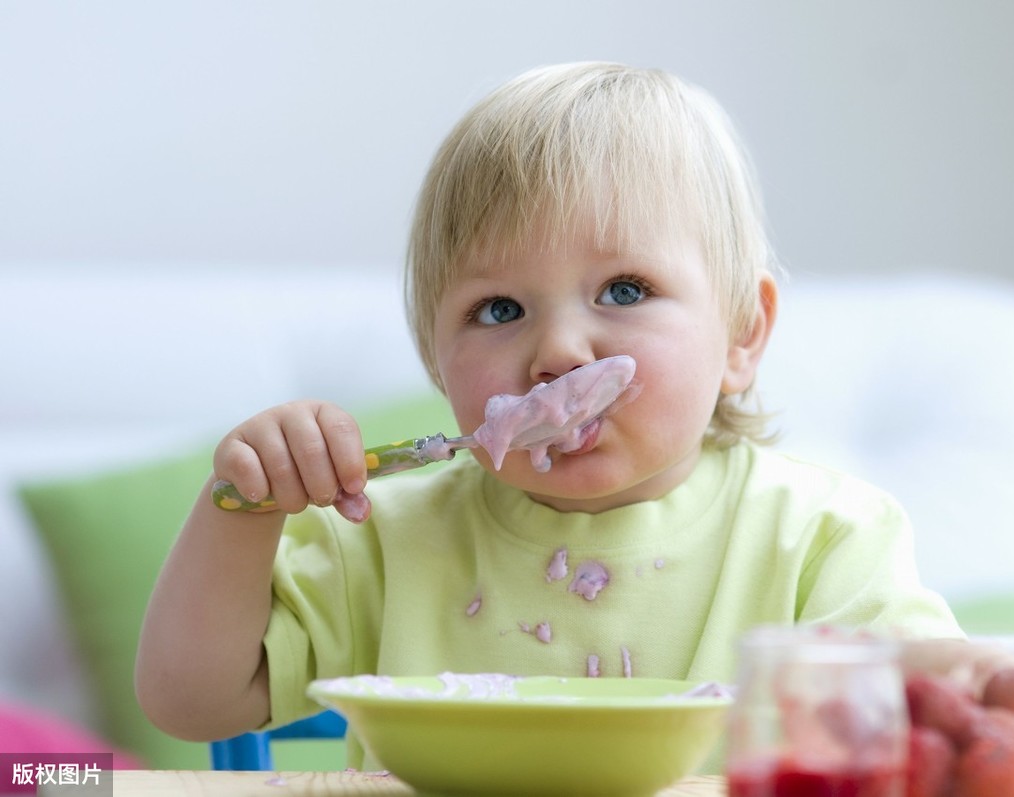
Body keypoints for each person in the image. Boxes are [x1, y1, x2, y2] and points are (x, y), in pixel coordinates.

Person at [135, 62, 964, 767]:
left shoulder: (823, 541)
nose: (560, 350)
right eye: (498, 309)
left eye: (625, 290)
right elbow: (190, 701)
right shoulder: (382, 541)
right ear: (436, 357)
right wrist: (242, 508)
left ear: (743, 334)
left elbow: (939, 720)